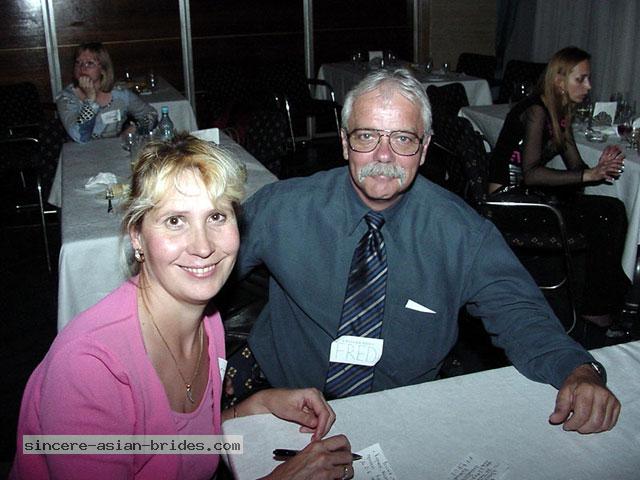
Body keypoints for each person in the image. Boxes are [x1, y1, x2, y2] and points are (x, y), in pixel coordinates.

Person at [232, 68, 620, 434]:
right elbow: (208, 270)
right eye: (367, 136)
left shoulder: (461, 233)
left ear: (424, 149)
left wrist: (577, 370)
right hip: (280, 399)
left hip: (403, 409)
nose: (384, 156)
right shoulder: (282, 209)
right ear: (345, 143)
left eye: (403, 139)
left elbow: (519, 312)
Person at [10, 135, 354, 480]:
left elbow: (170, 447)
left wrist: (257, 406)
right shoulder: (90, 369)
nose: (203, 247)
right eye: (175, 220)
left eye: (216, 216)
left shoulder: (207, 321)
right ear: (137, 236)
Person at [488, 46, 629, 332]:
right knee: (605, 216)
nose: (588, 86)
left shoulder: (559, 112)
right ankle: (596, 308)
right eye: (581, 79)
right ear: (559, 81)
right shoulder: (536, 111)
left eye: (588, 78)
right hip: (509, 203)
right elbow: (531, 174)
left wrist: (600, 167)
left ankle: (601, 302)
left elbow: (575, 166)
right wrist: (588, 175)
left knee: (612, 210)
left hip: (531, 196)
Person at [56, 42, 157, 143]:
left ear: (103, 69)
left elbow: (151, 114)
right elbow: (80, 137)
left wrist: (136, 128)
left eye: (90, 63)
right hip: (81, 152)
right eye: (78, 63)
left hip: (114, 150)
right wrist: (90, 100)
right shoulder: (67, 98)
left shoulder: (119, 94)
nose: (82, 68)